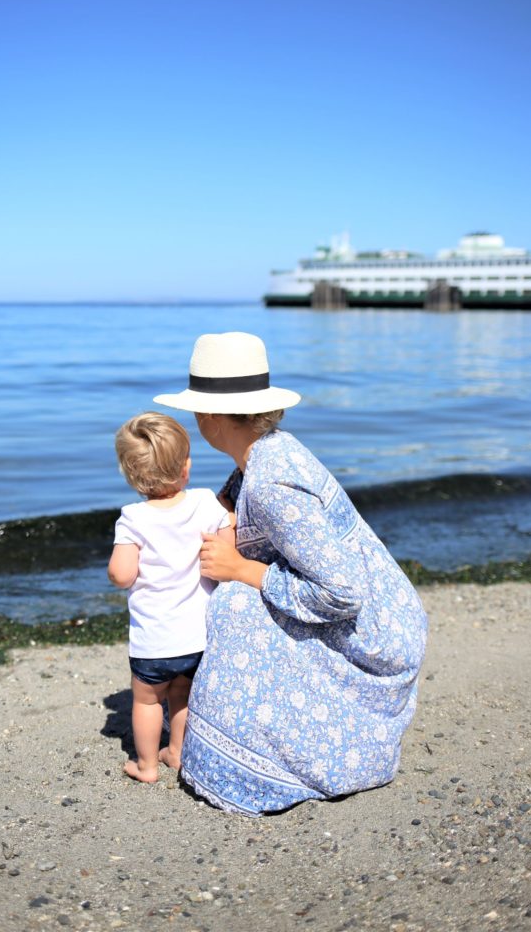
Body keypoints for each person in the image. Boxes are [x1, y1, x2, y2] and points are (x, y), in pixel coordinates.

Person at [153, 331, 428, 815]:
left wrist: (242, 570)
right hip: (390, 610)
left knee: (236, 604)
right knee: (236, 592)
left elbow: (343, 594)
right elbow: (226, 506)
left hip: (380, 637)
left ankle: (274, 758)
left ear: (210, 416)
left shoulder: (273, 481)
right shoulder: (265, 452)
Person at [108, 411, 234, 783]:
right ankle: (177, 752)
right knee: (182, 695)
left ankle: (147, 765)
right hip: (197, 635)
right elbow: (229, 549)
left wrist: (117, 570)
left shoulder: (132, 518)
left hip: (153, 639)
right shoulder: (205, 504)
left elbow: (122, 574)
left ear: (130, 475)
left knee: (148, 700)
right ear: (185, 467)